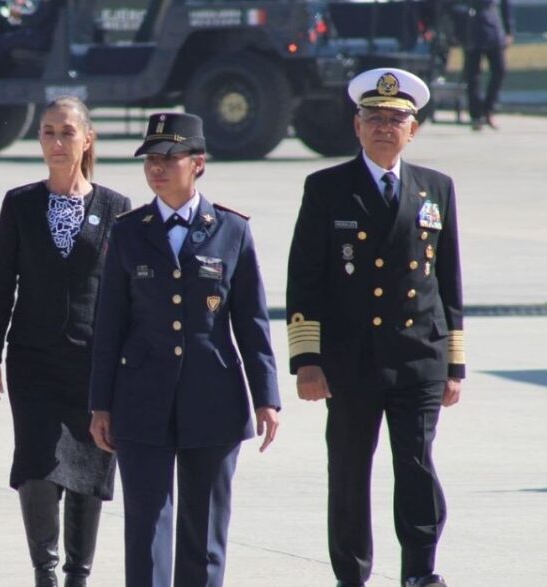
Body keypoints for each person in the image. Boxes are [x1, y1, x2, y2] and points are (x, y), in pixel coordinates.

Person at [286, 68, 464, 587]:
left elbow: (449, 281)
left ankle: (421, 572)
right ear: (357, 126)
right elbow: (305, 280)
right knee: (348, 472)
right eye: (374, 118)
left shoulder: (436, 188)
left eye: (395, 119)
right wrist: (307, 361)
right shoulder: (326, 188)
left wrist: (454, 363)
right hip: (351, 360)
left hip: (418, 355)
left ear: (413, 129)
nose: (385, 127)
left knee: (417, 465)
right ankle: (351, 574)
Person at [89, 112, 280, 587]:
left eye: (170, 158)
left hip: (213, 397)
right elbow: (109, 324)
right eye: (150, 159)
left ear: (198, 163)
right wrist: (100, 404)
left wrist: (267, 398)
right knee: (146, 529)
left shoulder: (232, 230)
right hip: (140, 398)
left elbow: (252, 322)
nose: (157, 168)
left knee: (205, 533)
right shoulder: (128, 230)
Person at [0, 96, 130, 587]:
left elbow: (126, 293)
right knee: (37, 461)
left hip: (94, 363)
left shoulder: (116, 208)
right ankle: (44, 573)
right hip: (34, 360)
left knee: (90, 467)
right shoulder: (20, 203)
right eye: (48, 132)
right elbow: (0, 282)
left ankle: (77, 576)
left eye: (67, 132)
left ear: (87, 139)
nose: (57, 142)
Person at [463, 0, 513, 130]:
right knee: (473, 74)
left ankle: (488, 109)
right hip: (471, 24)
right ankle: (476, 115)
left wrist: (509, 29)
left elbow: (506, 4)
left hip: (493, 24)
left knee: (500, 69)